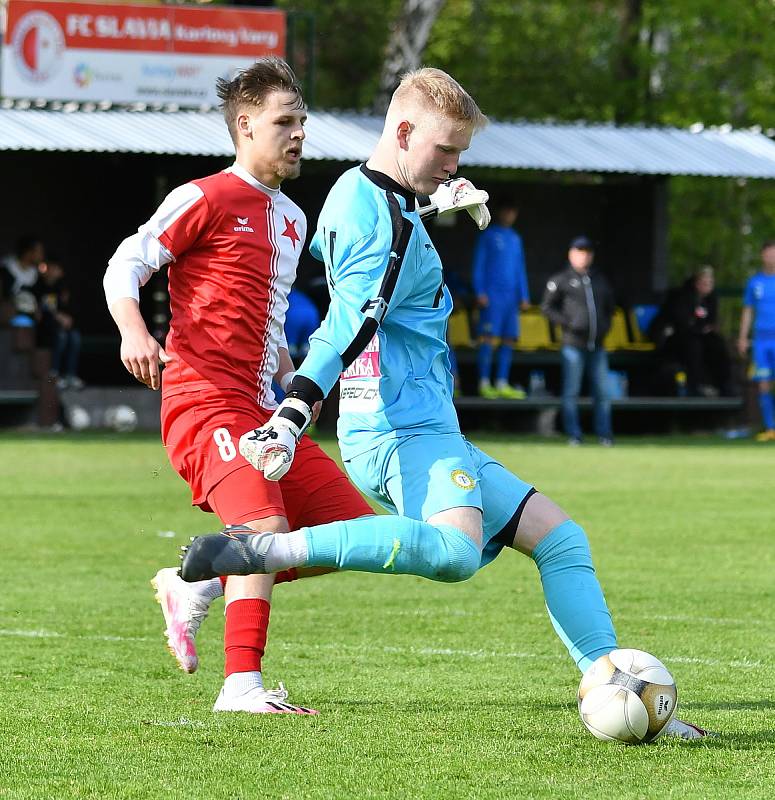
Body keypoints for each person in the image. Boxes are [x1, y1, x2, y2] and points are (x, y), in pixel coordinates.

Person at [180, 68, 708, 739]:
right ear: (402, 132)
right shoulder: (383, 219)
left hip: (424, 423)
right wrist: (292, 411)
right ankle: (263, 552)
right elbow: (351, 322)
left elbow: (349, 257)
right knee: (456, 554)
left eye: (460, 152)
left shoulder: (366, 195)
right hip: (401, 427)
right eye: (444, 150)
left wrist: (428, 204)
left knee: (559, 539)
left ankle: (615, 689)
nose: (454, 163)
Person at [104, 57, 374, 715]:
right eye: (285, 122)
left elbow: (271, 319)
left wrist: (292, 386)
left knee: (351, 532)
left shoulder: (291, 220)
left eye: (302, 122)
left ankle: (197, 584)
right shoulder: (204, 196)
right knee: (262, 526)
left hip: (262, 411)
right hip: (202, 400)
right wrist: (133, 332)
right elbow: (125, 265)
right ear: (246, 125)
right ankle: (241, 688)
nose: (298, 134)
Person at [541, 237, 615, 446]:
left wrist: (605, 327)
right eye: (580, 251)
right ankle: (574, 435)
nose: (584, 255)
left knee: (602, 392)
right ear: (571, 253)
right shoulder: (561, 279)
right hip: (573, 345)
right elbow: (547, 307)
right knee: (571, 391)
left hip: (598, 345)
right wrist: (569, 324)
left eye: (588, 251)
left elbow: (610, 307)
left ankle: (605, 435)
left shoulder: (599, 279)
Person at [472, 198, 530, 399]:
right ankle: (484, 382)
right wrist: (479, 291)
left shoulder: (515, 238)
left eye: (513, 211)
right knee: (488, 338)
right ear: (499, 212)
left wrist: (524, 295)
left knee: (508, 339)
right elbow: (479, 264)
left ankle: (502, 382)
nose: (509, 215)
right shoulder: (488, 235)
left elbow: (520, 269)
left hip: (511, 299)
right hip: (492, 296)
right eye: (506, 211)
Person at [650, 267, 733, 398]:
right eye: (704, 282)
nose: (707, 286)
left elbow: (711, 322)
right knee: (694, 346)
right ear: (696, 283)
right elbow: (680, 322)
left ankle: (725, 386)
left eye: (710, 282)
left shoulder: (711, 299)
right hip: (676, 339)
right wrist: (697, 328)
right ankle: (695, 386)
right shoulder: (682, 296)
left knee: (718, 344)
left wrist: (703, 328)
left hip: (700, 336)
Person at [738, 240, 775, 441]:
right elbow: (748, 311)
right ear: (763, 256)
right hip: (761, 341)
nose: (772, 258)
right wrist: (743, 337)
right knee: (763, 384)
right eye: (769, 254)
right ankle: (770, 428)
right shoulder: (755, 283)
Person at [35, 257, 84, 390]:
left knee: (75, 337)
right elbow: (43, 312)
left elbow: (69, 311)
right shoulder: (38, 286)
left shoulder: (62, 288)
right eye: (48, 267)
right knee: (61, 336)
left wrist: (66, 319)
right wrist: (57, 317)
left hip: (61, 328)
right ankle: (54, 373)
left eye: (54, 268)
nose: (50, 271)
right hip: (44, 330)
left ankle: (70, 375)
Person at [1, 236, 44, 325]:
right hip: (9, 314)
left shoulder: (35, 274)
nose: (41, 255)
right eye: (38, 251)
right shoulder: (6, 268)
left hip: (30, 315)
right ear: (28, 252)